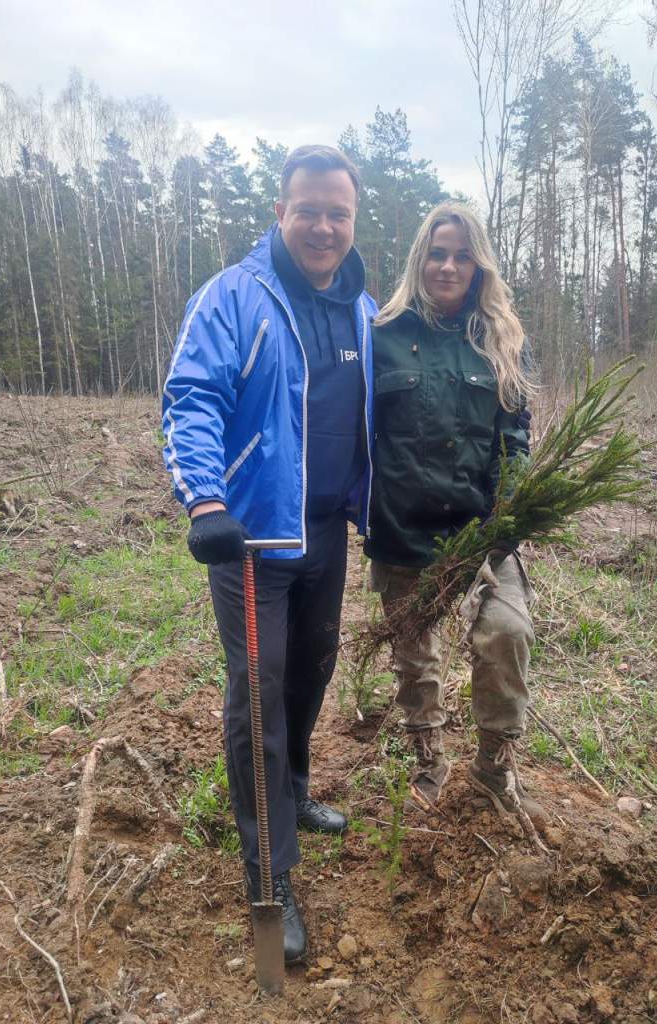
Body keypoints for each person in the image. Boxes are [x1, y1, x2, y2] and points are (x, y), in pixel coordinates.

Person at [162, 146, 376, 963]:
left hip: (326, 534)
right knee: (259, 694)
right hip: (250, 540)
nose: (323, 226)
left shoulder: (359, 307)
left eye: (338, 213)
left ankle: (292, 793)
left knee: (311, 672)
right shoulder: (233, 297)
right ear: (280, 211)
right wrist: (206, 500)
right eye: (308, 209)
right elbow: (192, 397)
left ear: (354, 220)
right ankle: (269, 874)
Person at [364, 201, 543, 822]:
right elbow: (355, 432)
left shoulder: (502, 339)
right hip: (402, 528)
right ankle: (429, 760)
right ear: (420, 259)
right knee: (416, 656)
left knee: (507, 634)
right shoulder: (380, 334)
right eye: (437, 253)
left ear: (479, 264)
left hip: (482, 531)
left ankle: (493, 767)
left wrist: (506, 518)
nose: (448, 266)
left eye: (462, 255)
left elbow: (515, 439)